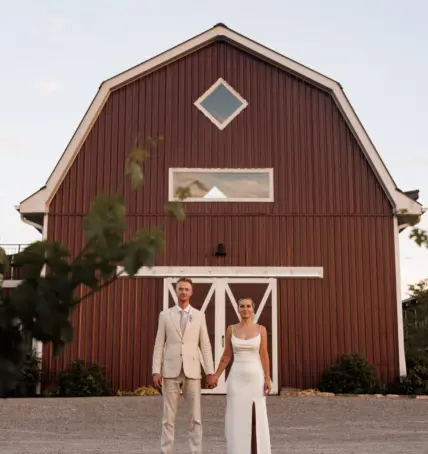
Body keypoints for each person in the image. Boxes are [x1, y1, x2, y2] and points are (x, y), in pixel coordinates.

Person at [152, 277, 216, 454]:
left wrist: (210, 371)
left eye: (187, 289)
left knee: (195, 418)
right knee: (168, 418)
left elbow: (205, 345)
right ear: (176, 291)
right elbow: (159, 344)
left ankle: (196, 452)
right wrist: (156, 370)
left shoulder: (200, 315)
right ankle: (166, 451)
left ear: (191, 292)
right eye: (180, 289)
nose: (183, 292)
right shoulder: (165, 315)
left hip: (193, 371)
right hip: (170, 371)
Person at [212, 297, 272, 454]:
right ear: (238, 309)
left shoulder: (261, 329)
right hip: (236, 378)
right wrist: (217, 375)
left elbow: (264, 356)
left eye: (248, 306)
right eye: (242, 306)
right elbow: (226, 356)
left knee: (256, 416)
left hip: (255, 378)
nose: (245, 309)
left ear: (253, 309)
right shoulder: (231, 329)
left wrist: (267, 378)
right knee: (236, 416)